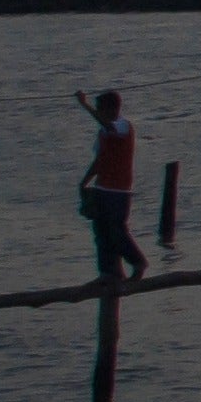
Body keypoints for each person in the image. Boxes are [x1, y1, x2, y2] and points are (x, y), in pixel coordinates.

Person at [74, 89, 144, 288]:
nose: (98, 113)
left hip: (119, 191)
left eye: (100, 109)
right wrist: (84, 181)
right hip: (102, 188)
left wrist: (84, 105)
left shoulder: (123, 126)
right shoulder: (103, 134)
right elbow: (99, 160)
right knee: (101, 232)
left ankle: (138, 263)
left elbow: (109, 126)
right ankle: (109, 273)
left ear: (113, 109)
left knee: (117, 231)